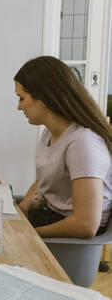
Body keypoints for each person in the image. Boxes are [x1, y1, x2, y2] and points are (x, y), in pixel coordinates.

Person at [15, 56, 112, 238]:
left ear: (44, 98)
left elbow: (85, 224)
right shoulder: (48, 133)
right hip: (48, 215)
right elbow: (46, 181)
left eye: (21, 98)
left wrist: (29, 235)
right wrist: (22, 211)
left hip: (66, 231)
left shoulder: (83, 143)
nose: (19, 107)